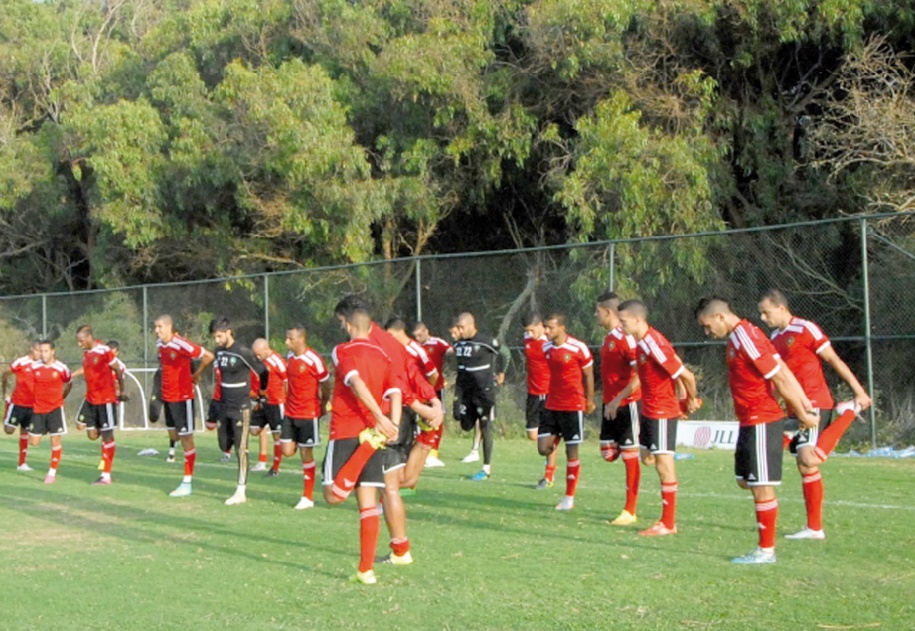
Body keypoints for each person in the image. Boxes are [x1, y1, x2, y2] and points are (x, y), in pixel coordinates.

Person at [696, 297, 821, 563]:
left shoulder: (745, 337)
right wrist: (804, 407)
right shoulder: (740, 337)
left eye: (707, 326)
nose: (707, 333)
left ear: (720, 317)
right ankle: (785, 434)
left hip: (761, 419)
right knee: (745, 481)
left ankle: (766, 551)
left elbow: (778, 376)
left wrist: (802, 412)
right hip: (749, 421)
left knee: (761, 486)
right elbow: (785, 371)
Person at [758, 289, 872, 540]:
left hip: (814, 402)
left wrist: (859, 392)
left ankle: (848, 412)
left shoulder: (805, 329)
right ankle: (814, 528)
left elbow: (834, 360)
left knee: (809, 458)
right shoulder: (775, 337)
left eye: (766, 312)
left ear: (781, 308)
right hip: (794, 407)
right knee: (802, 463)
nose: (763, 318)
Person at [322, 308, 400, 585]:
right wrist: (393, 425)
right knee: (368, 504)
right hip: (377, 432)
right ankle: (366, 570)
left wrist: (380, 419)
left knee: (333, 494)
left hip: (348, 431)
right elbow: (395, 392)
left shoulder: (342, 350)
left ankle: (364, 449)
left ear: (349, 325)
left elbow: (354, 382)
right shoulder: (384, 355)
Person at [617, 299, 699, 536]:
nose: (621, 326)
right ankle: (667, 454)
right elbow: (671, 370)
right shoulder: (642, 343)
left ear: (637, 319)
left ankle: (668, 523)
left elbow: (687, 375)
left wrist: (690, 399)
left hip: (662, 412)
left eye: (623, 321)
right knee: (647, 458)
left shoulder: (653, 343)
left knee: (664, 466)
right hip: (649, 411)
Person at [538, 313, 595, 510]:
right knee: (543, 448)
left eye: (550, 327)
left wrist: (590, 400)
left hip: (573, 405)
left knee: (572, 451)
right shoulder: (545, 348)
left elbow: (588, 374)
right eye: (545, 327)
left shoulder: (578, 347)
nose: (546, 331)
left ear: (562, 328)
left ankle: (569, 497)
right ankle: (557, 438)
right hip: (552, 404)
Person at [595, 292, 642, 525]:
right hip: (611, 404)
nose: (596, 315)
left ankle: (630, 510)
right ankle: (647, 449)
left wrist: (618, 400)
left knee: (630, 457)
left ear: (608, 312)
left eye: (598, 311)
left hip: (629, 404)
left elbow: (640, 375)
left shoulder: (626, 339)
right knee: (608, 453)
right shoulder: (608, 339)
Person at [384, 318, 444, 500]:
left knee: (401, 469)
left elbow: (431, 375)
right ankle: (394, 491)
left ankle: (395, 490)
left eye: (389, 336)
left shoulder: (414, 350)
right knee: (401, 467)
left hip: (409, 406)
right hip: (402, 405)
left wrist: (427, 399)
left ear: (398, 332)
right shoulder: (391, 351)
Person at [155, 314, 214, 497]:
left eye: (159, 327)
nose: (157, 331)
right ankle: (186, 470)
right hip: (168, 398)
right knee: (175, 436)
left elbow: (208, 356)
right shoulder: (159, 346)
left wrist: (196, 374)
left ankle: (187, 482)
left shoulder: (181, 343)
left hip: (183, 398)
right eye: (155, 327)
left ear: (169, 326)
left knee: (187, 438)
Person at [211, 318, 266, 505]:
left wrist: (261, 395)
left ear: (229, 332)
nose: (217, 340)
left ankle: (241, 491)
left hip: (241, 407)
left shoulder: (243, 352)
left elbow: (263, 371)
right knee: (223, 444)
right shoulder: (218, 352)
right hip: (224, 406)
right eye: (215, 337)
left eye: (219, 336)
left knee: (241, 449)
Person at [453, 312, 510, 481]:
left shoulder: (485, 341)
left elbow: (505, 352)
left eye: (461, 327)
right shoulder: (459, 344)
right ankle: (470, 423)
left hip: (483, 393)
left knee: (485, 426)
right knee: (463, 423)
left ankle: (486, 468)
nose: (459, 330)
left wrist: (502, 372)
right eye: (458, 327)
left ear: (471, 325)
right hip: (464, 392)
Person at [282, 325, 331, 510]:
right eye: (286, 338)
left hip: (308, 412)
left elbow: (326, 384)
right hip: (290, 411)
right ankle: (309, 468)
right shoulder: (290, 357)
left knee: (305, 453)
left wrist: (323, 403)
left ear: (301, 339)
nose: (287, 342)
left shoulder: (314, 359)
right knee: (287, 450)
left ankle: (307, 497)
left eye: (290, 339)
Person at [72, 326, 125, 485]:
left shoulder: (104, 351)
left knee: (107, 435)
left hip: (106, 400)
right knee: (92, 434)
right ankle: (106, 449)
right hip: (91, 399)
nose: (79, 344)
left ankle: (106, 475)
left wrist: (121, 391)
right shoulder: (87, 354)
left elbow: (118, 369)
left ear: (89, 337)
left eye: (81, 341)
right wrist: (71, 374)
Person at [29, 340, 72, 484]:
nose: (43, 354)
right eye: (41, 351)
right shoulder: (34, 367)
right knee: (34, 442)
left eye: (46, 351)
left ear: (53, 351)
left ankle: (51, 473)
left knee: (55, 440)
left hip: (55, 409)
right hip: (38, 409)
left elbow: (69, 382)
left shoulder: (61, 368)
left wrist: (62, 397)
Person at [522, 314, 557, 489]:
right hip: (532, 395)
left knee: (547, 438)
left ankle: (549, 475)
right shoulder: (527, 340)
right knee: (532, 435)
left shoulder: (549, 343)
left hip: (548, 394)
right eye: (527, 331)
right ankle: (555, 439)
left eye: (532, 330)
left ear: (541, 326)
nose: (530, 333)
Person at [413, 321, 454, 467]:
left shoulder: (437, 342)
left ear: (426, 331)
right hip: (418, 389)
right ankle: (419, 450)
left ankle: (433, 453)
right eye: (415, 336)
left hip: (436, 387)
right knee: (420, 419)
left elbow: (451, 351)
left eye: (419, 335)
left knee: (437, 418)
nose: (417, 338)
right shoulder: (414, 346)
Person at [2, 341, 41, 471]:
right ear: (31, 349)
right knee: (9, 430)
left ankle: (22, 463)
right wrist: (5, 390)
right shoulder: (21, 362)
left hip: (33, 405)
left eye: (41, 351)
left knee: (26, 432)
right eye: (37, 350)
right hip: (18, 403)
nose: (39, 353)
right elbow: (6, 373)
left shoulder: (42, 365)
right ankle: (7, 408)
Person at [251, 338, 288, 476]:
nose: (257, 357)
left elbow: (287, 380)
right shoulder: (258, 362)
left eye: (259, 354)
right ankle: (262, 461)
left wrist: (287, 399)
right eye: (256, 354)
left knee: (277, 436)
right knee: (254, 430)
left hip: (276, 403)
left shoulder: (277, 361)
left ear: (267, 349)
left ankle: (275, 468)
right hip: (263, 402)